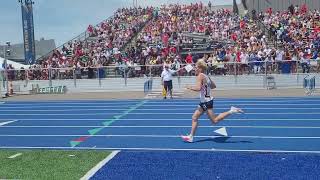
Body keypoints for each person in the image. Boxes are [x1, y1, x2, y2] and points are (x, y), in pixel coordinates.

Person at [181, 59, 244, 143]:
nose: (194, 69)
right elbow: (214, 86)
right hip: (205, 101)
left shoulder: (200, 76)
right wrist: (206, 84)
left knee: (214, 120)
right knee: (194, 117)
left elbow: (198, 88)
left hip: (206, 102)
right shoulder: (206, 76)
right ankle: (191, 137)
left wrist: (189, 87)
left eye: (196, 67)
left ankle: (232, 111)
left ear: (200, 68)